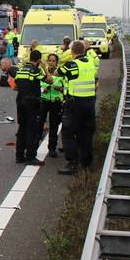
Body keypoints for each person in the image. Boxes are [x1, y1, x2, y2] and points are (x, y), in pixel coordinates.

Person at [57, 41, 97, 175]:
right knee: (86, 133)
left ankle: (72, 163)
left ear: (72, 52)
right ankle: (86, 163)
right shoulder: (90, 62)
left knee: (68, 132)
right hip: (90, 102)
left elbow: (58, 73)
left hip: (75, 103)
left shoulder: (72, 64)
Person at [12, 50, 52, 165]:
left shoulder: (21, 70)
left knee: (22, 129)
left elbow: (15, 87)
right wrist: (45, 68)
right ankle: (30, 156)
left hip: (20, 102)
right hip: (32, 103)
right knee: (32, 130)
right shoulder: (36, 70)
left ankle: (19, 156)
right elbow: (50, 80)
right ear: (39, 61)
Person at [39, 53, 65, 158]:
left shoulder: (61, 74)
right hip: (44, 101)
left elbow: (65, 88)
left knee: (54, 126)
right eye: (49, 60)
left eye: (53, 61)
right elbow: (38, 86)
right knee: (39, 123)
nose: (51, 62)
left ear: (57, 63)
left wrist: (58, 88)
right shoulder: (42, 72)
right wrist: (43, 89)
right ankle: (33, 148)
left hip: (56, 102)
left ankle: (52, 148)